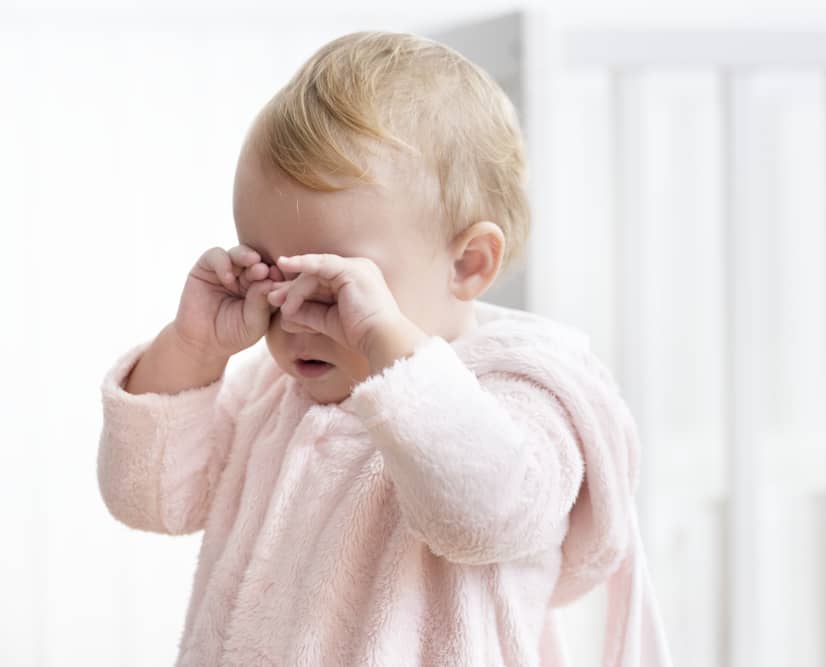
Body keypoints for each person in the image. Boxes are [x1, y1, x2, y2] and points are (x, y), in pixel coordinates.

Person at [96, 30, 672, 667]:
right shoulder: (270, 391)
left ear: (469, 263)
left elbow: (488, 516)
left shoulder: (519, 393)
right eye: (270, 273)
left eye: (338, 284)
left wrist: (390, 351)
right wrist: (193, 347)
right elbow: (152, 499)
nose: (292, 314)